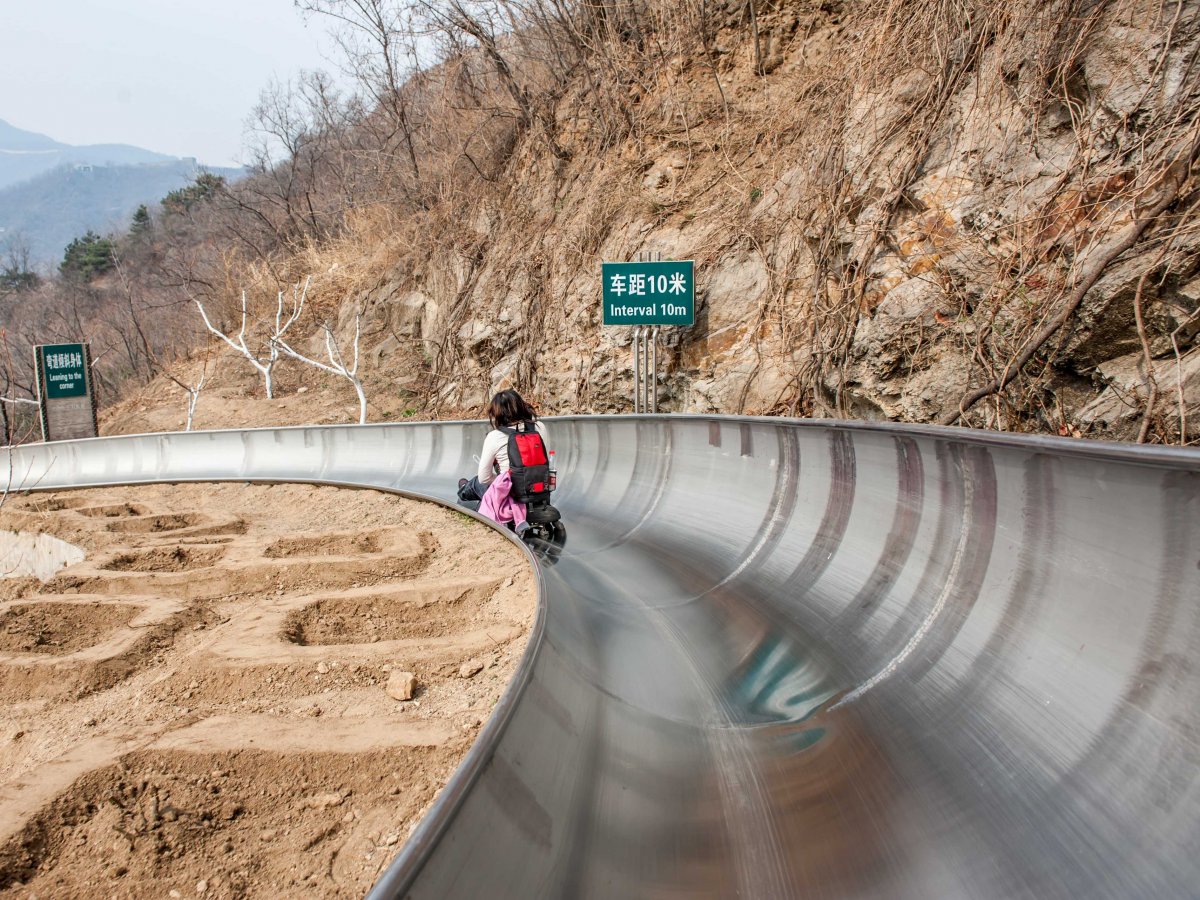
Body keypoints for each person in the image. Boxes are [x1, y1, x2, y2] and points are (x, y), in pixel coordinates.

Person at [457, 389, 550, 504]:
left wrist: (502, 479)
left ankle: (464, 489)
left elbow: (484, 478)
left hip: (510, 492)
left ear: (497, 413)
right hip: (538, 488)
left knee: (476, 483)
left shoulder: (494, 436)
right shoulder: (539, 427)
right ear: (521, 406)